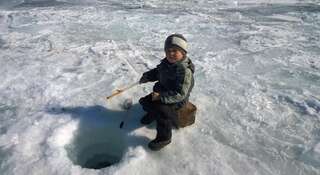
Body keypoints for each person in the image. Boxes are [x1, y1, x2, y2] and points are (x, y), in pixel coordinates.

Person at [139, 34, 195, 151]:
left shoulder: (184, 71)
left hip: (176, 99)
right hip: (161, 93)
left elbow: (180, 94)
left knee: (162, 112)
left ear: (183, 53)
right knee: (144, 102)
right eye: (168, 51)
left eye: (175, 50)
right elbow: (157, 72)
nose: (171, 54)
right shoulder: (166, 63)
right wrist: (147, 76)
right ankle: (153, 113)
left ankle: (164, 138)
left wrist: (161, 97)